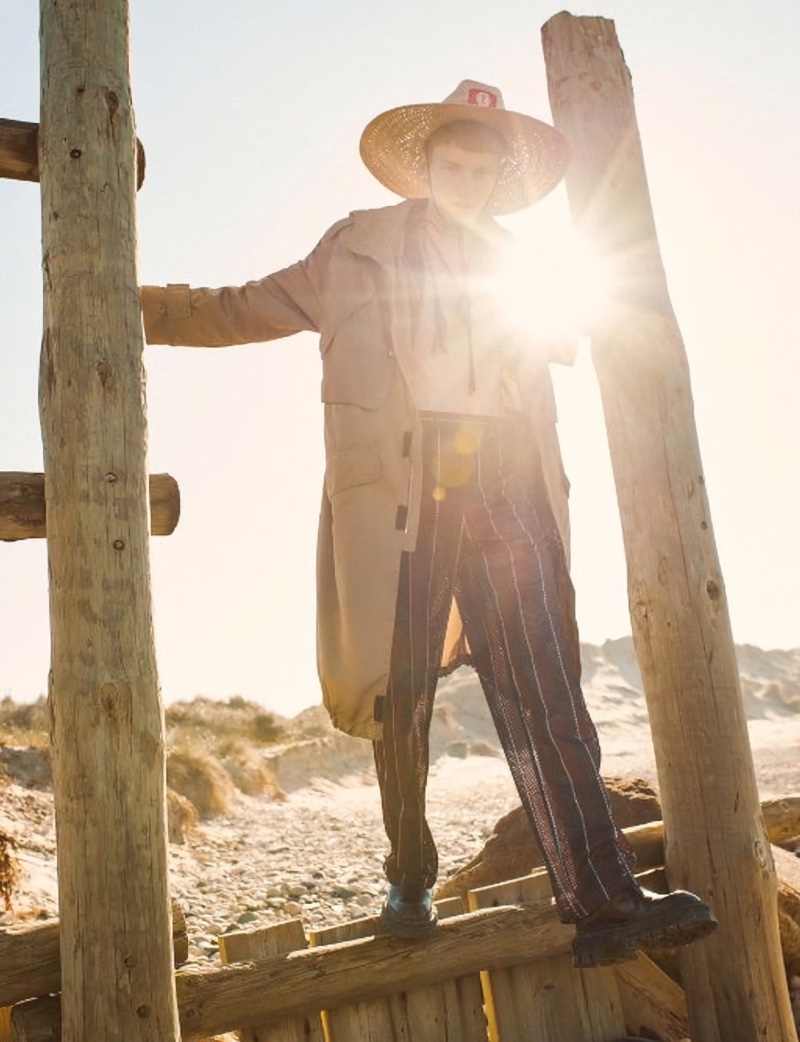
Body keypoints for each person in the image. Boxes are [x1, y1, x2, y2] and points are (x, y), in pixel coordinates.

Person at [141, 79, 716, 967]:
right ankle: (409, 879)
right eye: (454, 165)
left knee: (549, 691)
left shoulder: (520, 263)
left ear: (497, 179)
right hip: (408, 494)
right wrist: (131, 304)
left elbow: (580, 330)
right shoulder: (356, 249)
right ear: (426, 168)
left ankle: (604, 901)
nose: (468, 182)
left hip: (510, 483)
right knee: (398, 697)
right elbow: (242, 306)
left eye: (484, 171)